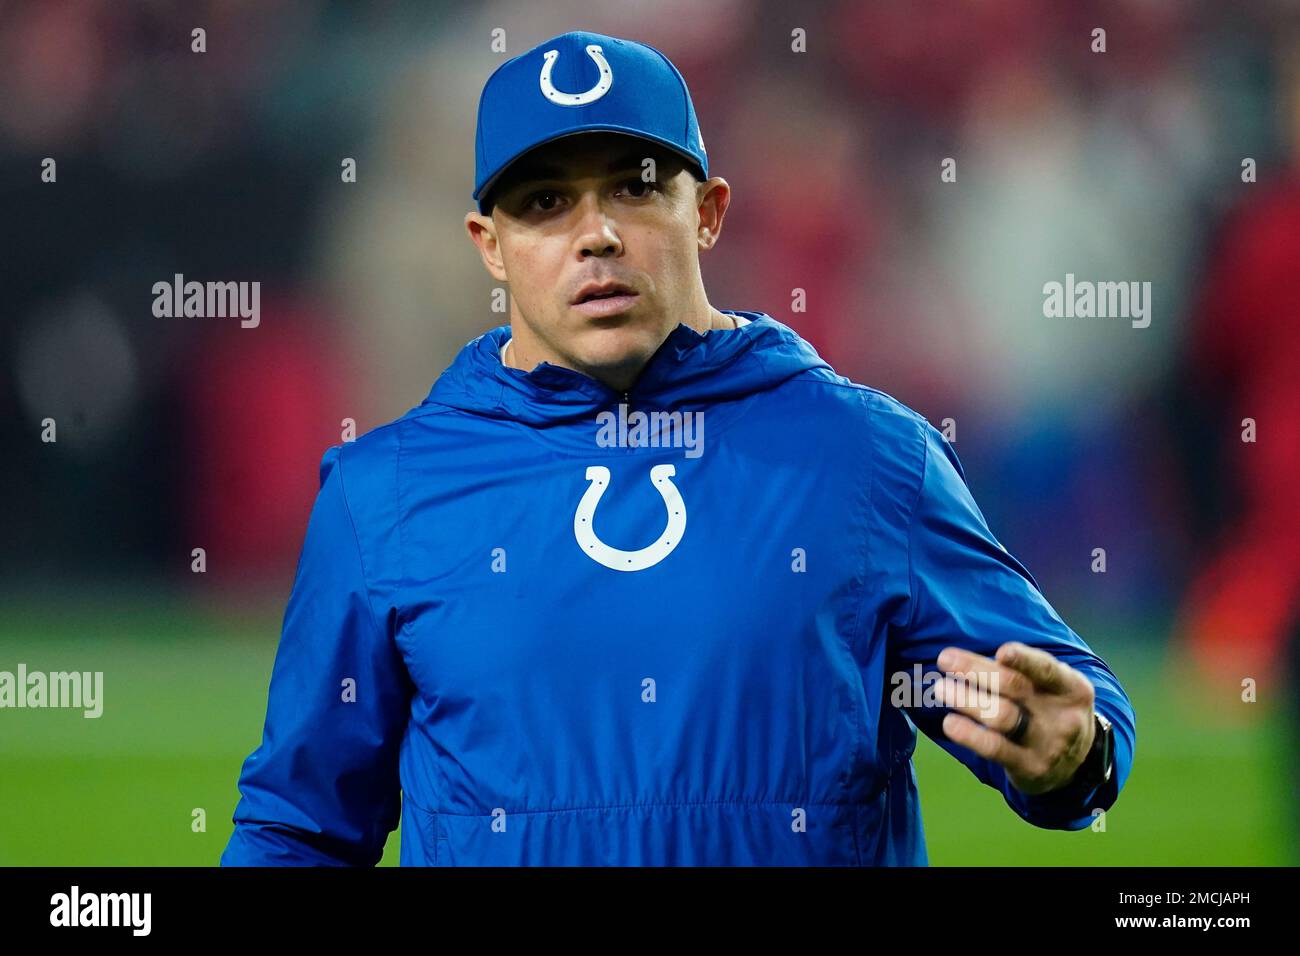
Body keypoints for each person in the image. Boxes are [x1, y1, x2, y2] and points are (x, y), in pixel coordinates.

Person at [221, 29, 1134, 866]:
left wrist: (1072, 756)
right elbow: (297, 826)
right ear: (489, 246)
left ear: (709, 212)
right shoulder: (383, 495)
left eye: (637, 185)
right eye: (546, 202)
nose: (599, 234)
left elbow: (1062, 710)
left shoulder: (865, 458)